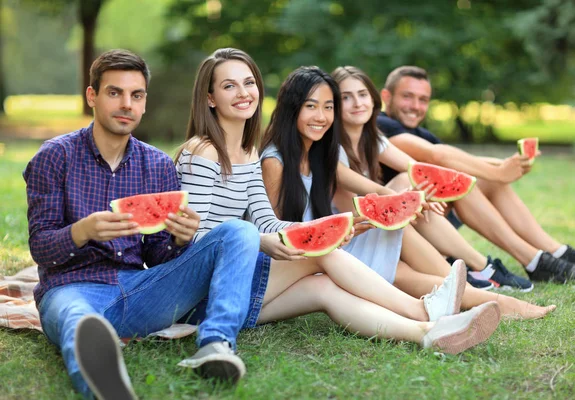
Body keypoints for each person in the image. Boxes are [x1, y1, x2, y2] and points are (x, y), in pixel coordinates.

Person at [175, 48, 501, 359]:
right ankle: (424, 309)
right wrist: (268, 242)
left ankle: (428, 331)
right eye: (229, 86)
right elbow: (191, 241)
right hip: (207, 293)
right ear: (209, 98)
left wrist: (328, 229)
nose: (243, 93)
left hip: (234, 290)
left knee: (323, 289)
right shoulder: (203, 153)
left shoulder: (247, 154)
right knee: (325, 256)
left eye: (248, 83)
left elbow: (268, 224)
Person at [23, 49, 263, 400]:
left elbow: (158, 257)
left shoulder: (158, 165)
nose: (126, 104)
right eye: (114, 93)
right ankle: (105, 385)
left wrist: (180, 240)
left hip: (140, 291)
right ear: (92, 96)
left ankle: (214, 345)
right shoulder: (55, 156)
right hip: (72, 289)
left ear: (144, 102)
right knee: (79, 320)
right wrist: (82, 231)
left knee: (241, 231)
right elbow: (40, 246)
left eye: (136, 95)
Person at [259, 63, 554, 320]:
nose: (322, 116)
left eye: (327, 107)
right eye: (312, 106)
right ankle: (489, 288)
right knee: (402, 242)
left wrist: (407, 201)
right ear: (292, 107)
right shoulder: (279, 159)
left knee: (414, 264)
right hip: (316, 256)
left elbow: (389, 183)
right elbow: (269, 229)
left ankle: (496, 300)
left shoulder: (323, 151)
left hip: (344, 243)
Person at [376, 65, 575, 284]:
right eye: (407, 96)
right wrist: (498, 171)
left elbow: (460, 158)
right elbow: (437, 156)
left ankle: (554, 251)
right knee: (460, 178)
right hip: (398, 226)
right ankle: (532, 259)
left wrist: (508, 165)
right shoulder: (380, 124)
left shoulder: (421, 133)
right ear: (387, 96)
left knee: (488, 182)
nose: (415, 106)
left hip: (431, 218)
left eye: (423, 99)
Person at [331, 65, 533, 292]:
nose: (358, 103)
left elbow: (417, 169)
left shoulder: (373, 140)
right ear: (333, 106)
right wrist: (407, 200)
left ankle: (480, 268)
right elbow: (353, 215)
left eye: (362, 95)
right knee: (405, 191)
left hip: (386, 226)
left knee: (412, 182)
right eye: (346, 97)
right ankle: (479, 269)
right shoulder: (333, 151)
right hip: (351, 240)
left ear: (373, 98)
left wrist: (423, 193)